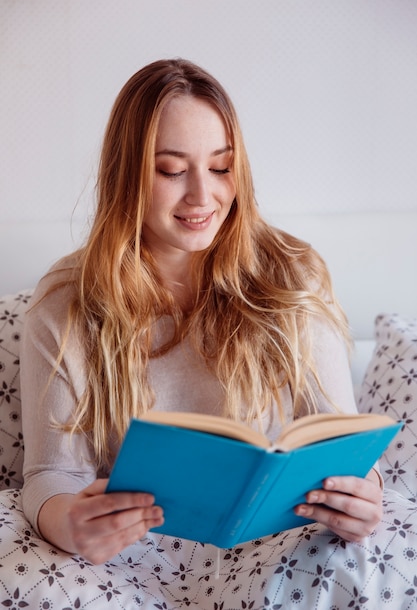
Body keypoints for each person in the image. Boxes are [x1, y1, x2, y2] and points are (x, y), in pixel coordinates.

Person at [20, 58, 383, 567]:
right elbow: (48, 476)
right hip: (134, 560)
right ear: (126, 174)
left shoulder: (293, 275)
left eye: (220, 167)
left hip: (275, 551)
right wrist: (69, 524)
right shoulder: (65, 303)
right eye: (171, 170)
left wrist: (363, 494)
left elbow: (343, 443)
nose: (202, 195)